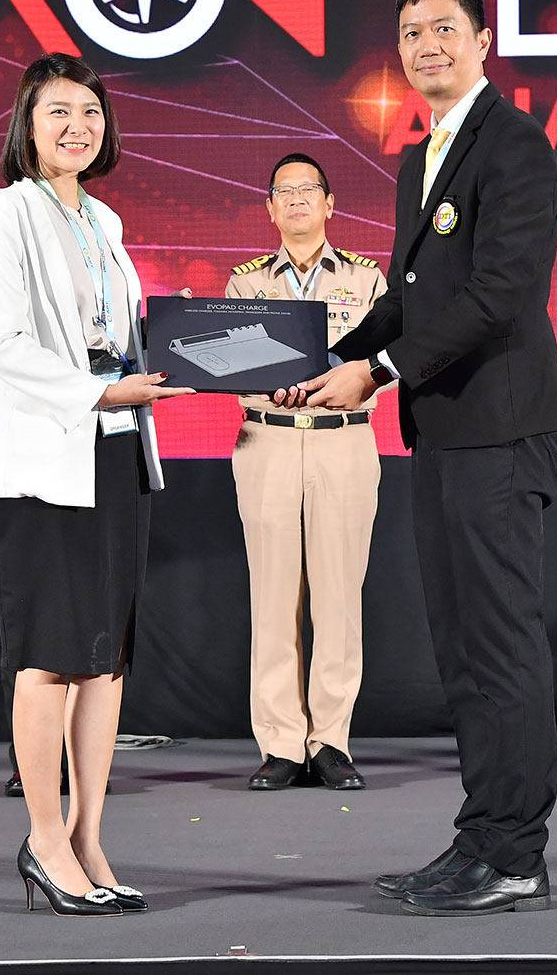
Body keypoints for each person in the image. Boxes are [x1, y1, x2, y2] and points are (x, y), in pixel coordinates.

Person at [279, 0, 557, 916]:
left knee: (502, 642)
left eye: (445, 28)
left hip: (501, 427)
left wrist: (378, 370)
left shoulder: (515, 144)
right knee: (463, 647)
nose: (427, 45)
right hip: (443, 430)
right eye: (411, 33)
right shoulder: (423, 157)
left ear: (483, 41)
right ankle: (482, 835)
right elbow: (412, 299)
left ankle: (516, 850)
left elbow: (500, 293)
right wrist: (327, 357)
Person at [0, 54, 192, 915]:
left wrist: (179, 356)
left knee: (104, 662)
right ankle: (43, 838)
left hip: (118, 452)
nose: (77, 127)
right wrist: (99, 391)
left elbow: (120, 336)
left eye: (90, 112)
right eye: (58, 111)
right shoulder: (4, 214)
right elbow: (4, 346)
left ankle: (89, 835)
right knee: (49, 657)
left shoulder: (105, 220)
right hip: (47, 458)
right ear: (27, 123)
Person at [226, 152, 387, 793]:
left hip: (342, 441)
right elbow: (233, 366)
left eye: (308, 189)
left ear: (329, 204)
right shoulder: (244, 284)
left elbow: (382, 361)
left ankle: (331, 741)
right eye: (283, 192)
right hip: (266, 440)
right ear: (270, 209)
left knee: (339, 597)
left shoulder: (367, 279)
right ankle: (281, 743)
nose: (296, 199)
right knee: (272, 598)